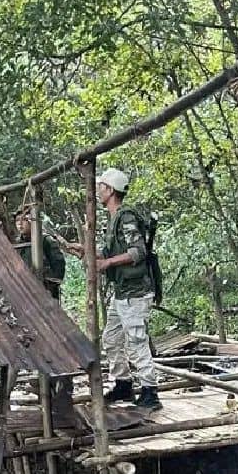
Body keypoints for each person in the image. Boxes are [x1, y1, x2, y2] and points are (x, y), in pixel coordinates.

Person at [93, 167, 161, 410]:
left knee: (136, 341)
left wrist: (108, 263)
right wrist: (85, 251)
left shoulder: (126, 217)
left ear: (110, 190)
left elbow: (138, 252)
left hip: (135, 292)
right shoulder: (114, 219)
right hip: (121, 292)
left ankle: (150, 391)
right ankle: (123, 383)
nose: (98, 191)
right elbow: (110, 251)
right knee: (111, 338)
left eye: (101, 187)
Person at [15, 208, 66, 300]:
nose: (20, 223)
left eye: (24, 220)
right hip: (24, 289)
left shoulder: (46, 240)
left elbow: (58, 265)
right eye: (17, 220)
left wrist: (50, 286)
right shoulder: (17, 243)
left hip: (45, 288)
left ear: (32, 222)